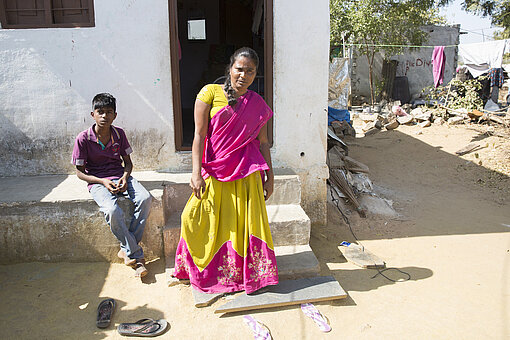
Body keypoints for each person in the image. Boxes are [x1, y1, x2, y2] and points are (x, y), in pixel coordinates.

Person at [173, 47, 278, 294]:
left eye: (250, 71)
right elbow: (199, 135)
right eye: (239, 69)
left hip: (246, 173)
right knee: (193, 217)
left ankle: (242, 275)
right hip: (215, 170)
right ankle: (200, 269)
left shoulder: (257, 104)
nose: (243, 75)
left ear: (255, 74)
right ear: (230, 68)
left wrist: (270, 176)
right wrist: (195, 173)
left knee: (242, 225)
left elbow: (263, 143)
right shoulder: (209, 92)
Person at [72, 93, 152, 278]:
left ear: (114, 115)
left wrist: (125, 177)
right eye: (100, 112)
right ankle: (135, 254)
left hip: (120, 175)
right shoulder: (83, 139)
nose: (104, 116)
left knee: (145, 198)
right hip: (97, 181)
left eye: (109, 112)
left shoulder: (119, 134)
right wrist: (102, 181)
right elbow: (79, 172)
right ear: (92, 114)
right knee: (112, 210)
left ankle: (126, 249)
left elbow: (128, 163)